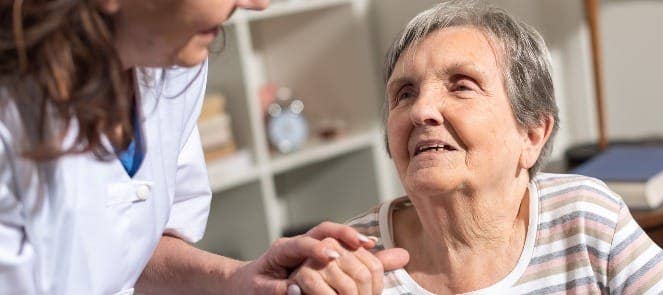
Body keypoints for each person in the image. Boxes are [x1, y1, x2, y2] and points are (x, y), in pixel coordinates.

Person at [0, 0, 408, 294]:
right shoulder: (11, 117)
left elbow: (127, 244)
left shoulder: (170, 66)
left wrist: (238, 280)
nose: (257, 4)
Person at [346, 0, 663, 294]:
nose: (421, 111)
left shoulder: (588, 221)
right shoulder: (351, 260)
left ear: (532, 134)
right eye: (404, 93)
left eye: (462, 86)